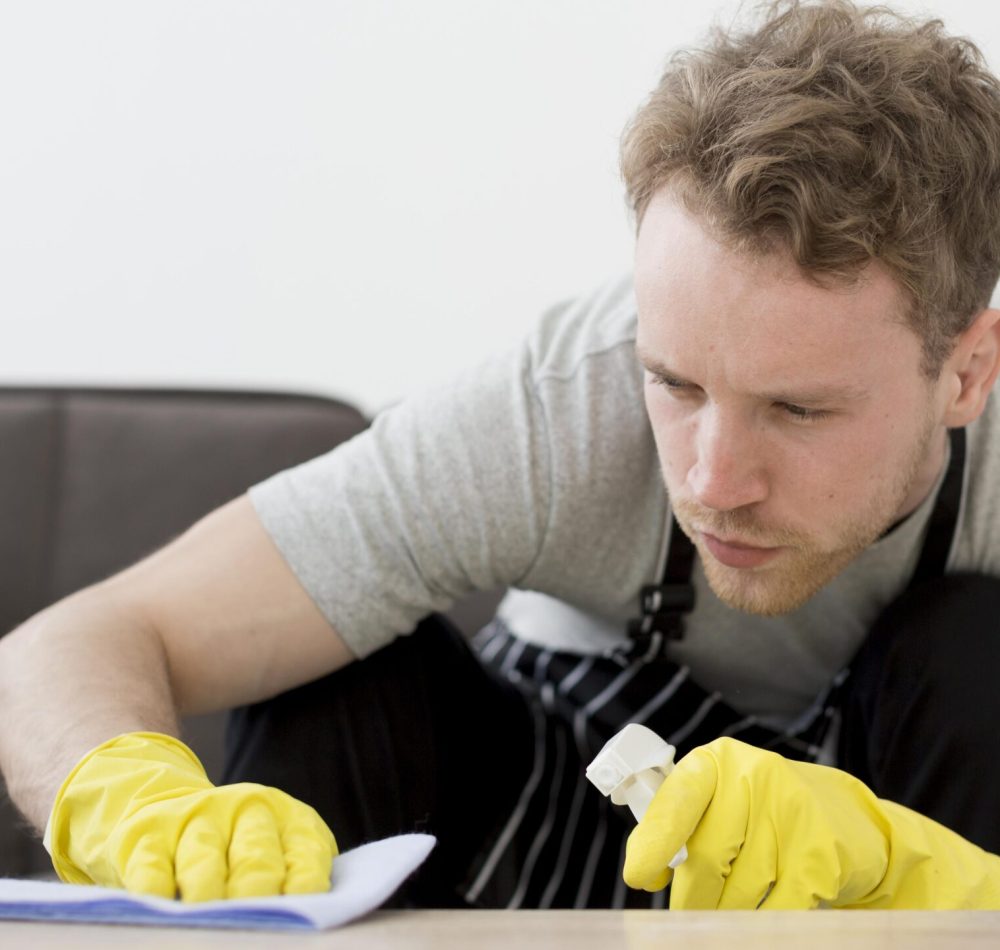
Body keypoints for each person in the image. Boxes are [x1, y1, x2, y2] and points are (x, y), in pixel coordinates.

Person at [3, 0, 1000, 910]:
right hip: (527, 852)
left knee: (976, 648)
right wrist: (122, 796)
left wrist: (926, 874)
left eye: (796, 407)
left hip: (878, 896)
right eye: (676, 384)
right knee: (329, 675)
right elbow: (68, 645)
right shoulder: (554, 409)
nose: (709, 481)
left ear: (965, 371)